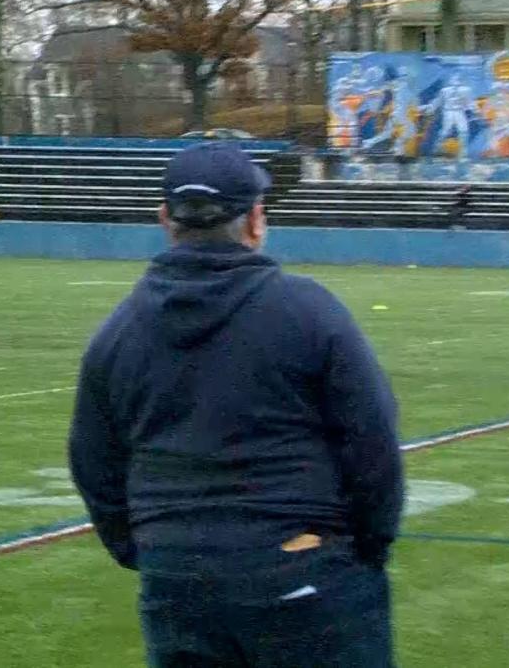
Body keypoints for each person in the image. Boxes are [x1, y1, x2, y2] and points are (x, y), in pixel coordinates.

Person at [68, 141, 404, 668]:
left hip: (177, 579)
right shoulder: (309, 311)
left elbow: (94, 463)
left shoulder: (117, 332)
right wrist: (366, 549)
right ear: (255, 220)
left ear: (165, 220)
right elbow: (374, 441)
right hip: (304, 567)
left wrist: (151, 552)